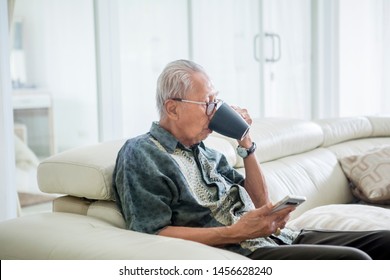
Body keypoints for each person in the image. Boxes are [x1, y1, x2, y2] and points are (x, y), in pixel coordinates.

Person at [113, 59, 390, 260]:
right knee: (355, 262)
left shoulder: (207, 152)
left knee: (384, 241)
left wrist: (245, 141)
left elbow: (260, 202)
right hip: (245, 252)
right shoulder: (142, 154)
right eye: (207, 103)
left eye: (216, 102)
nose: (215, 112)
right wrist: (234, 232)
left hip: (280, 238)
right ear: (173, 108)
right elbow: (151, 234)